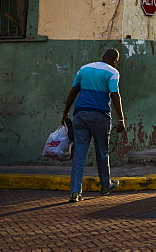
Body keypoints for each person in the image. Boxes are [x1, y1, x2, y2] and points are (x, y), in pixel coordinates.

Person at [62, 49, 125, 202]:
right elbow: (115, 95)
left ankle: (75, 192)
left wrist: (65, 112)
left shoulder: (84, 68)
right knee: (102, 151)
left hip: (80, 115)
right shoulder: (113, 72)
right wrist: (121, 119)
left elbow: (73, 91)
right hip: (100, 116)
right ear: (115, 59)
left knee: (79, 155)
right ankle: (105, 185)